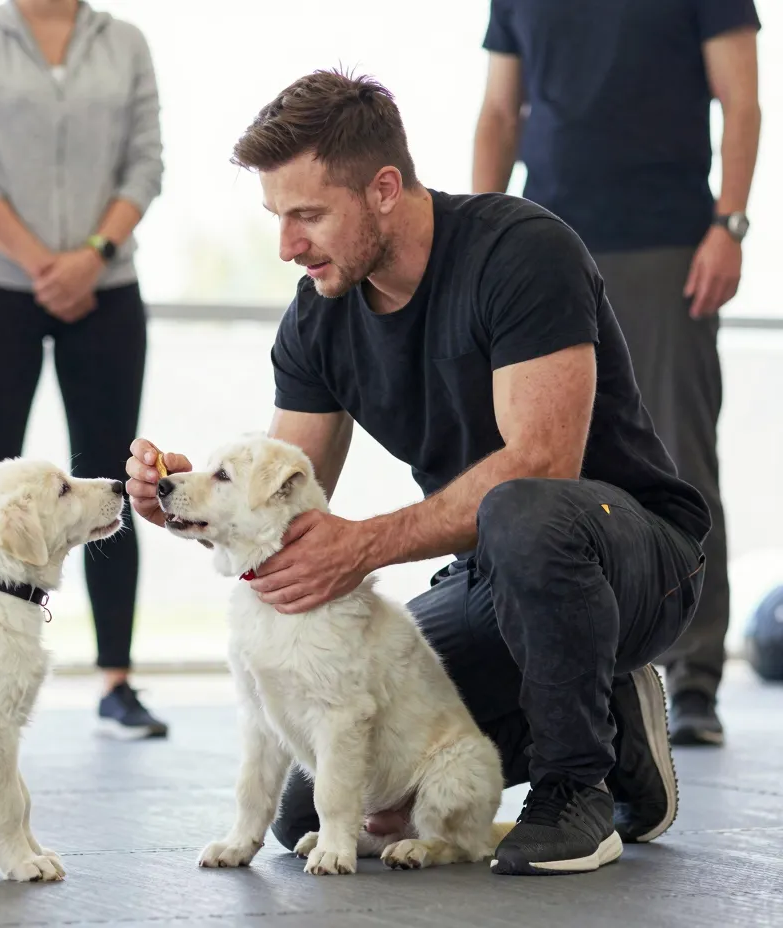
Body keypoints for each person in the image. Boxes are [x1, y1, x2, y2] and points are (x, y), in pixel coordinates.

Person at [126, 70, 712, 876]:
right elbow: (284, 519)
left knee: (523, 511)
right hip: (494, 573)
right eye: (277, 218)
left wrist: (365, 544)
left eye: (308, 215)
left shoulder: (522, 251)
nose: (288, 245)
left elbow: (545, 464)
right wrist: (190, 509)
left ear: (385, 190)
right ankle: (612, 725)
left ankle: (575, 788)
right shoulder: (316, 317)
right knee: (321, 798)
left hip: (637, 558)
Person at [471, 1, 762, 747]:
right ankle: (577, 670)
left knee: (681, 461)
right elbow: (501, 111)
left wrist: (728, 224)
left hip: (667, 243)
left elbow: (742, 99)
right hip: (549, 243)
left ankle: (692, 680)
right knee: (544, 469)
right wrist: (479, 235)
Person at [0, 0, 168, 738]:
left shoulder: (124, 41)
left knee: (112, 480)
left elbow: (146, 162)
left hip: (106, 288)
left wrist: (89, 257)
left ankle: (117, 681)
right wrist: (41, 263)